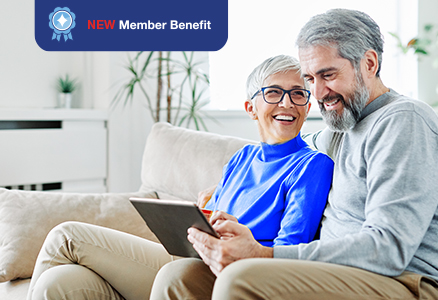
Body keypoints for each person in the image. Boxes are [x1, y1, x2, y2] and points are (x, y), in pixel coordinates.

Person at [185, 9, 438, 300]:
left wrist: (265, 254)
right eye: (310, 79)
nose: (317, 93)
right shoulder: (341, 128)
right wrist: (232, 185)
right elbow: (283, 150)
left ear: (369, 63)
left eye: (327, 75)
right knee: (182, 278)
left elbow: (388, 249)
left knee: (241, 278)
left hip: (418, 283)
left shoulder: (404, 122)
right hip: (349, 276)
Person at [26, 55, 334, 300]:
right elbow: (216, 219)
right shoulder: (243, 157)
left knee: (66, 235)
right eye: (273, 93)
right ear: (251, 108)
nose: (286, 103)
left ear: (307, 107)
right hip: (189, 255)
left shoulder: (312, 165)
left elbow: (291, 250)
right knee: (58, 283)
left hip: (223, 272)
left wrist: (244, 241)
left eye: (298, 94)